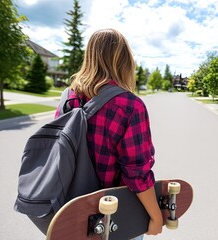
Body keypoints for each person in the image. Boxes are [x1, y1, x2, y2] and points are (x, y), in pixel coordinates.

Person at [55, 29, 162, 239]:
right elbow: (136, 173)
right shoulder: (130, 105)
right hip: (114, 216)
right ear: (124, 61)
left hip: (70, 212)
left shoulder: (68, 97)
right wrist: (156, 217)